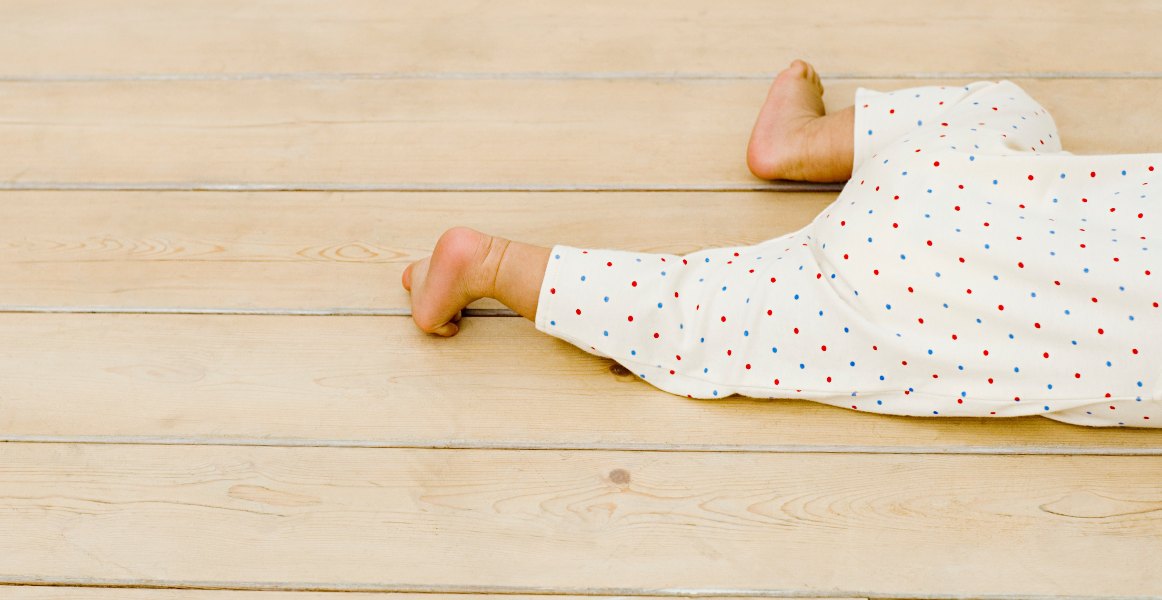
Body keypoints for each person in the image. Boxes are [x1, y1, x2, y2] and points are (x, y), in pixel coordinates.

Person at [401, 60, 1160, 427]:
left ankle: (801, 143)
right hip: (902, 291)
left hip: (961, 174)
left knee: (1010, 109)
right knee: (700, 315)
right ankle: (491, 262)